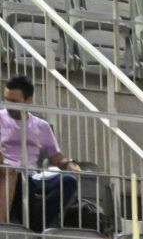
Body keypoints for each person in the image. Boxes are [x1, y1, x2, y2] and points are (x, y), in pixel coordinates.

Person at [3, 79, 86, 229]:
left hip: (32, 175)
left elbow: (56, 157)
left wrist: (69, 164)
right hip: (6, 173)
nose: (9, 105)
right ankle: (36, 228)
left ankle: (37, 225)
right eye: (6, 100)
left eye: (14, 101)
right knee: (21, 182)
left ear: (28, 101)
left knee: (69, 180)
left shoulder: (41, 126)